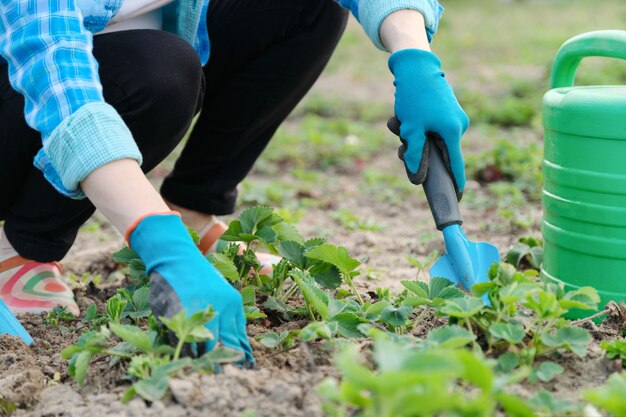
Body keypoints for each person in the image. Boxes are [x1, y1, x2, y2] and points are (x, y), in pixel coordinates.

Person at [0, 0, 468, 361]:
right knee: (161, 70)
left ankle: (190, 214)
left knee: (308, 8)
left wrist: (414, 58)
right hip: (28, 82)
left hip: (120, 59)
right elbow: (60, 86)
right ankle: (23, 249)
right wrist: (159, 242)